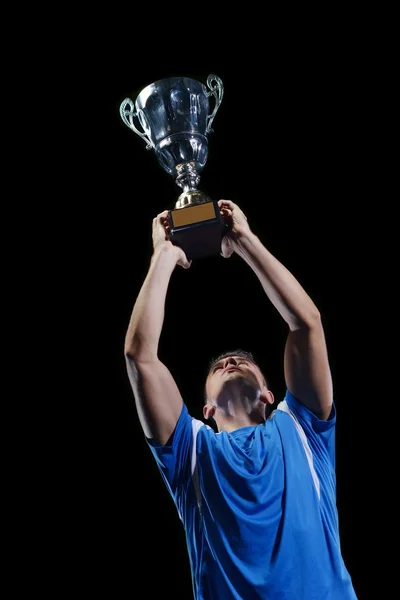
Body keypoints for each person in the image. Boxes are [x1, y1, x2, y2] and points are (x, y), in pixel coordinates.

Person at [124, 199, 358, 600]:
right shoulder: (191, 453)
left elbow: (307, 324)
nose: (231, 361)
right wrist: (163, 255)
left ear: (270, 395)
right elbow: (140, 357)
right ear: (206, 411)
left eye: (244, 362)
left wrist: (246, 242)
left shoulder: (304, 430)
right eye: (221, 366)